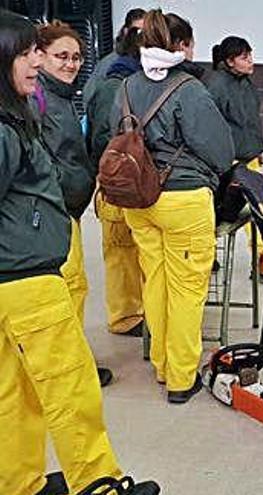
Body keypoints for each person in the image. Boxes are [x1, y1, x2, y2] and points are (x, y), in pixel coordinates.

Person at [0, 12, 158, 495]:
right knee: (71, 388)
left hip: (14, 277)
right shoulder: (5, 129)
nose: (37, 63)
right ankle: (100, 483)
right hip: (25, 278)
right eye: (27, 53)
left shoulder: (15, 115)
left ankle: (18, 482)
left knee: (16, 394)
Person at [110, 9, 234, 404]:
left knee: (156, 282)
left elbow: (112, 134)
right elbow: (220, 149)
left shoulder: (126, 86)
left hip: (138, 200)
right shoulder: (188, 89)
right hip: (182, 199)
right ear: (179, 46)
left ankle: (163, 365)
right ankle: (182, 378)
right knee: (185, 290)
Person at [34, 21, 115, 387]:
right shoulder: (39, 100)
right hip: (56, 211)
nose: (70, 64)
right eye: (61, 56)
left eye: (76, 57)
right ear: (39, 56)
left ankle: (71, 360)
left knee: (74, 287)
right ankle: (69, 368)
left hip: (69, 210)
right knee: (68, 289)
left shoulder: (61, 97)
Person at [87, 18, 146, 339]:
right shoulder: (114, 83)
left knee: (130, 249)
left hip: (129, 182)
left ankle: (135, 309)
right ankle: (124, 316)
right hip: (115, 183)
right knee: (120, 250)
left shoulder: (129, 78)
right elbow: (100, 139)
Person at [206, 35, 263, 278]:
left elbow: (251, 121)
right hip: (228, 161)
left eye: (250, 55)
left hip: (248, 156)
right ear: (230, 61)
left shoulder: (246, 83)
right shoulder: (216, 86)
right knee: (217, 210)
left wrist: (258, 149)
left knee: (259, 210)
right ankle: (207, 255)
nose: (251, 61)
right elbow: (211, 127)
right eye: (245, 57)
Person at [82, 7, 145, 105]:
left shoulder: (149, 61)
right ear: (126, 31)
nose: (141, 36)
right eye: (136, 31)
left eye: (144, 32)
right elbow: (88, 95)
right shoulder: (110, 62)